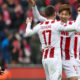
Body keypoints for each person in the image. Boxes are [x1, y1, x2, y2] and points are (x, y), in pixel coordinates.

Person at [25, 4, 80, 80]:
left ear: (69, 15)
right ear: (57, 14)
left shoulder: (72, 24)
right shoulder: (56, 24)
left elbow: (77, 28)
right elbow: (39, 17)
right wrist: (34, 6)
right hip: (56, 57)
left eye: (66, 14)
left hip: (68, 58)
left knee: (74, 78)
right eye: (62, 14)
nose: (63, 16)